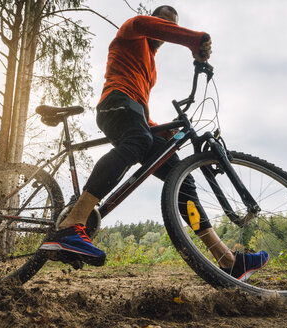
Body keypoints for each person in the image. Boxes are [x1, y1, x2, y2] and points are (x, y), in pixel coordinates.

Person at [39, 5, 268, 281]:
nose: (165, 28)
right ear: (152, 20)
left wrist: (159, 131)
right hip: (114, 102)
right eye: (163, 22)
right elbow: (145, 29)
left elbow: (141, 113)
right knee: (136, 141)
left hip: (133, 112)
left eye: (171, 24)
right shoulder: (132, 31)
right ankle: (72, 224)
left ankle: (228, 260)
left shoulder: (151, 67)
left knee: (179, 176)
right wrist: (194, 40)